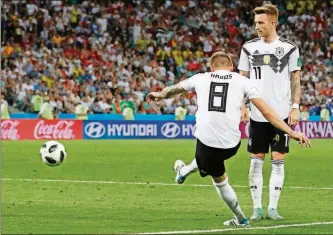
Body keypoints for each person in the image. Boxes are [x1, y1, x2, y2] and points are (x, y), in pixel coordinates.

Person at [146, 52, 310, 227]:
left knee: (218, 176)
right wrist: (291, 132)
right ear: (231, 67)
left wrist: (160, 95)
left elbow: (174, 89)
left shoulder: (200, 78)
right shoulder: (243, 81)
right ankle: (184, 171)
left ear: (211, 68)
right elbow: (267, 112)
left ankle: (241, 219)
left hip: (207, 142)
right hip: (232, 144)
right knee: (209, 160)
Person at [238, 4, 302, 220]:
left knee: (278, 159)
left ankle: (272, 208)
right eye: (256, 22)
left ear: (273, 22)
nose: (257, 26)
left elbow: (295, 79)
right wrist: (242, 105)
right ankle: (256, 208)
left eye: (261, 22)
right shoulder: (248, 48)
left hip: (281, 113)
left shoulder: (290, 48)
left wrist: (295, 107)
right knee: (256, 159)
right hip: (257, 113)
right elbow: (242, 79)